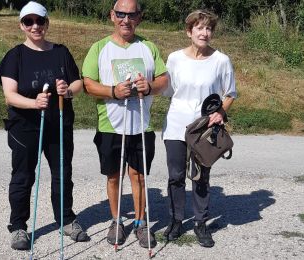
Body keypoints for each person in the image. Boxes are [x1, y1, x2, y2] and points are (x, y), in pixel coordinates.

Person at [0, 1, 89, 251]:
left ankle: (66, 220)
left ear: (47, 23)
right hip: (25, 127)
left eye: (40, 21)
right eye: (29, 21)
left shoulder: (61, 52)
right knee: (23, 176)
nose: (35, 26)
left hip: (58, 124)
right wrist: (34, 103)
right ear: (22, 25)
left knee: (62, 174)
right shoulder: (15, 56)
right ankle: (18, 227)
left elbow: (78, 84)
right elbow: (9, 95)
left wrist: (66, 91)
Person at [82, 0, 168, 249]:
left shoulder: (148, 47)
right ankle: (117, 220)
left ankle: (141, 223)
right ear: (112, 15)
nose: (126, 20)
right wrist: (113, 91)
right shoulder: (99, 48)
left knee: (139, 176)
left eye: (132, 15)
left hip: (141, 125)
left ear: (139, 18)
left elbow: (163, 79)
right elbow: (88, 84)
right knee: (113, 176)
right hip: (111, 125)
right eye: (121, 14)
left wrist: (150, 86)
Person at [162, 10, 237, 247]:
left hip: (205, 129)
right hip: (176, 125)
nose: (205, 33)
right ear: (189, 31)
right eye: (200, 28)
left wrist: (220, 112)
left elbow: (230, 93)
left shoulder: (221, 60)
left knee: (201, 176)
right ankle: (175, 220)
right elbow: (167, 90)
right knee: (176, 176)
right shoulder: (174, 58)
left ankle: (201, 223)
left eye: (209, 28)